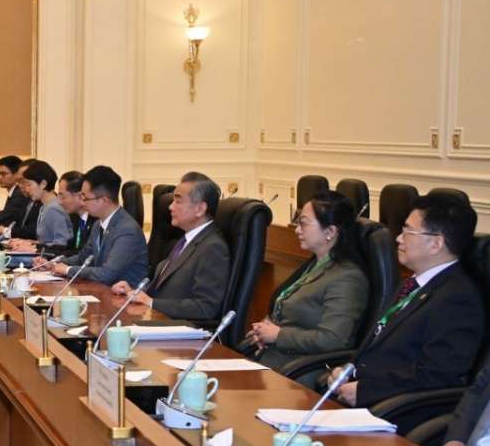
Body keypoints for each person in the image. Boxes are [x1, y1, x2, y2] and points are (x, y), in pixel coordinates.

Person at [325, 193, 483, 407]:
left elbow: (437, 375)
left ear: (436, 243)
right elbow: (378, 345)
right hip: (361, 395)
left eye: (408, 231)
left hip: (395, 410)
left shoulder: (458, 299)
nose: (399, 238)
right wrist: (347, 370)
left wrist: (365, 390)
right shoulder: (412, 284)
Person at [244, 191, 369, 369]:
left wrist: (278, 335)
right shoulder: (315, 264)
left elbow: (333, 339)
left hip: (300, 369)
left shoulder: (348, 278)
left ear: (330, 231)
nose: (297, 229)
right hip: (274, 358)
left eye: (303, 223)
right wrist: (264, 330)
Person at [112, 172, 229, 321]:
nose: (170, 207)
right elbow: (162, 291)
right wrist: (134, 292)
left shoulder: (213, 247)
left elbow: (205, 307)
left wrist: (151, 302)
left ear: (200, 209)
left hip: (180, 329)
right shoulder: (185, 240)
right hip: (157, 320)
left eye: (178, 201)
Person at [51, 166, 147, 287]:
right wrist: (55, 263)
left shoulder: (127, 231)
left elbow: (107, 274)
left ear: (104, 200)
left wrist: (68, 270)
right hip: (101, 290)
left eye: (85, 198)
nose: (82, 202)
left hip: (124, 295)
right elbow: (82, 258)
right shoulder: (98, 224)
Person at [6, 160, 70, 249]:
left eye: (29, 185)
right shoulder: (44, 207)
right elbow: (44, 241)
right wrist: (27, 242)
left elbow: (61, 244)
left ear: (43, 184)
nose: (27, 190)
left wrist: (34, 247)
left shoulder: (54, 208)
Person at [54, 171, 92, 256]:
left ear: (80, 197)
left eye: (63, 197)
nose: (59, 202)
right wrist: (39, 249)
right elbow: (69, 249)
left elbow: (82, 254)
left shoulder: (96, 221)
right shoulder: (74, 217)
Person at [0, 155, 29, 227]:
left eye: (3, 174)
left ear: (16, 174)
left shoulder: (20, 193)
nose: (0, 177)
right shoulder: (14, 191)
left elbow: (5, 216)